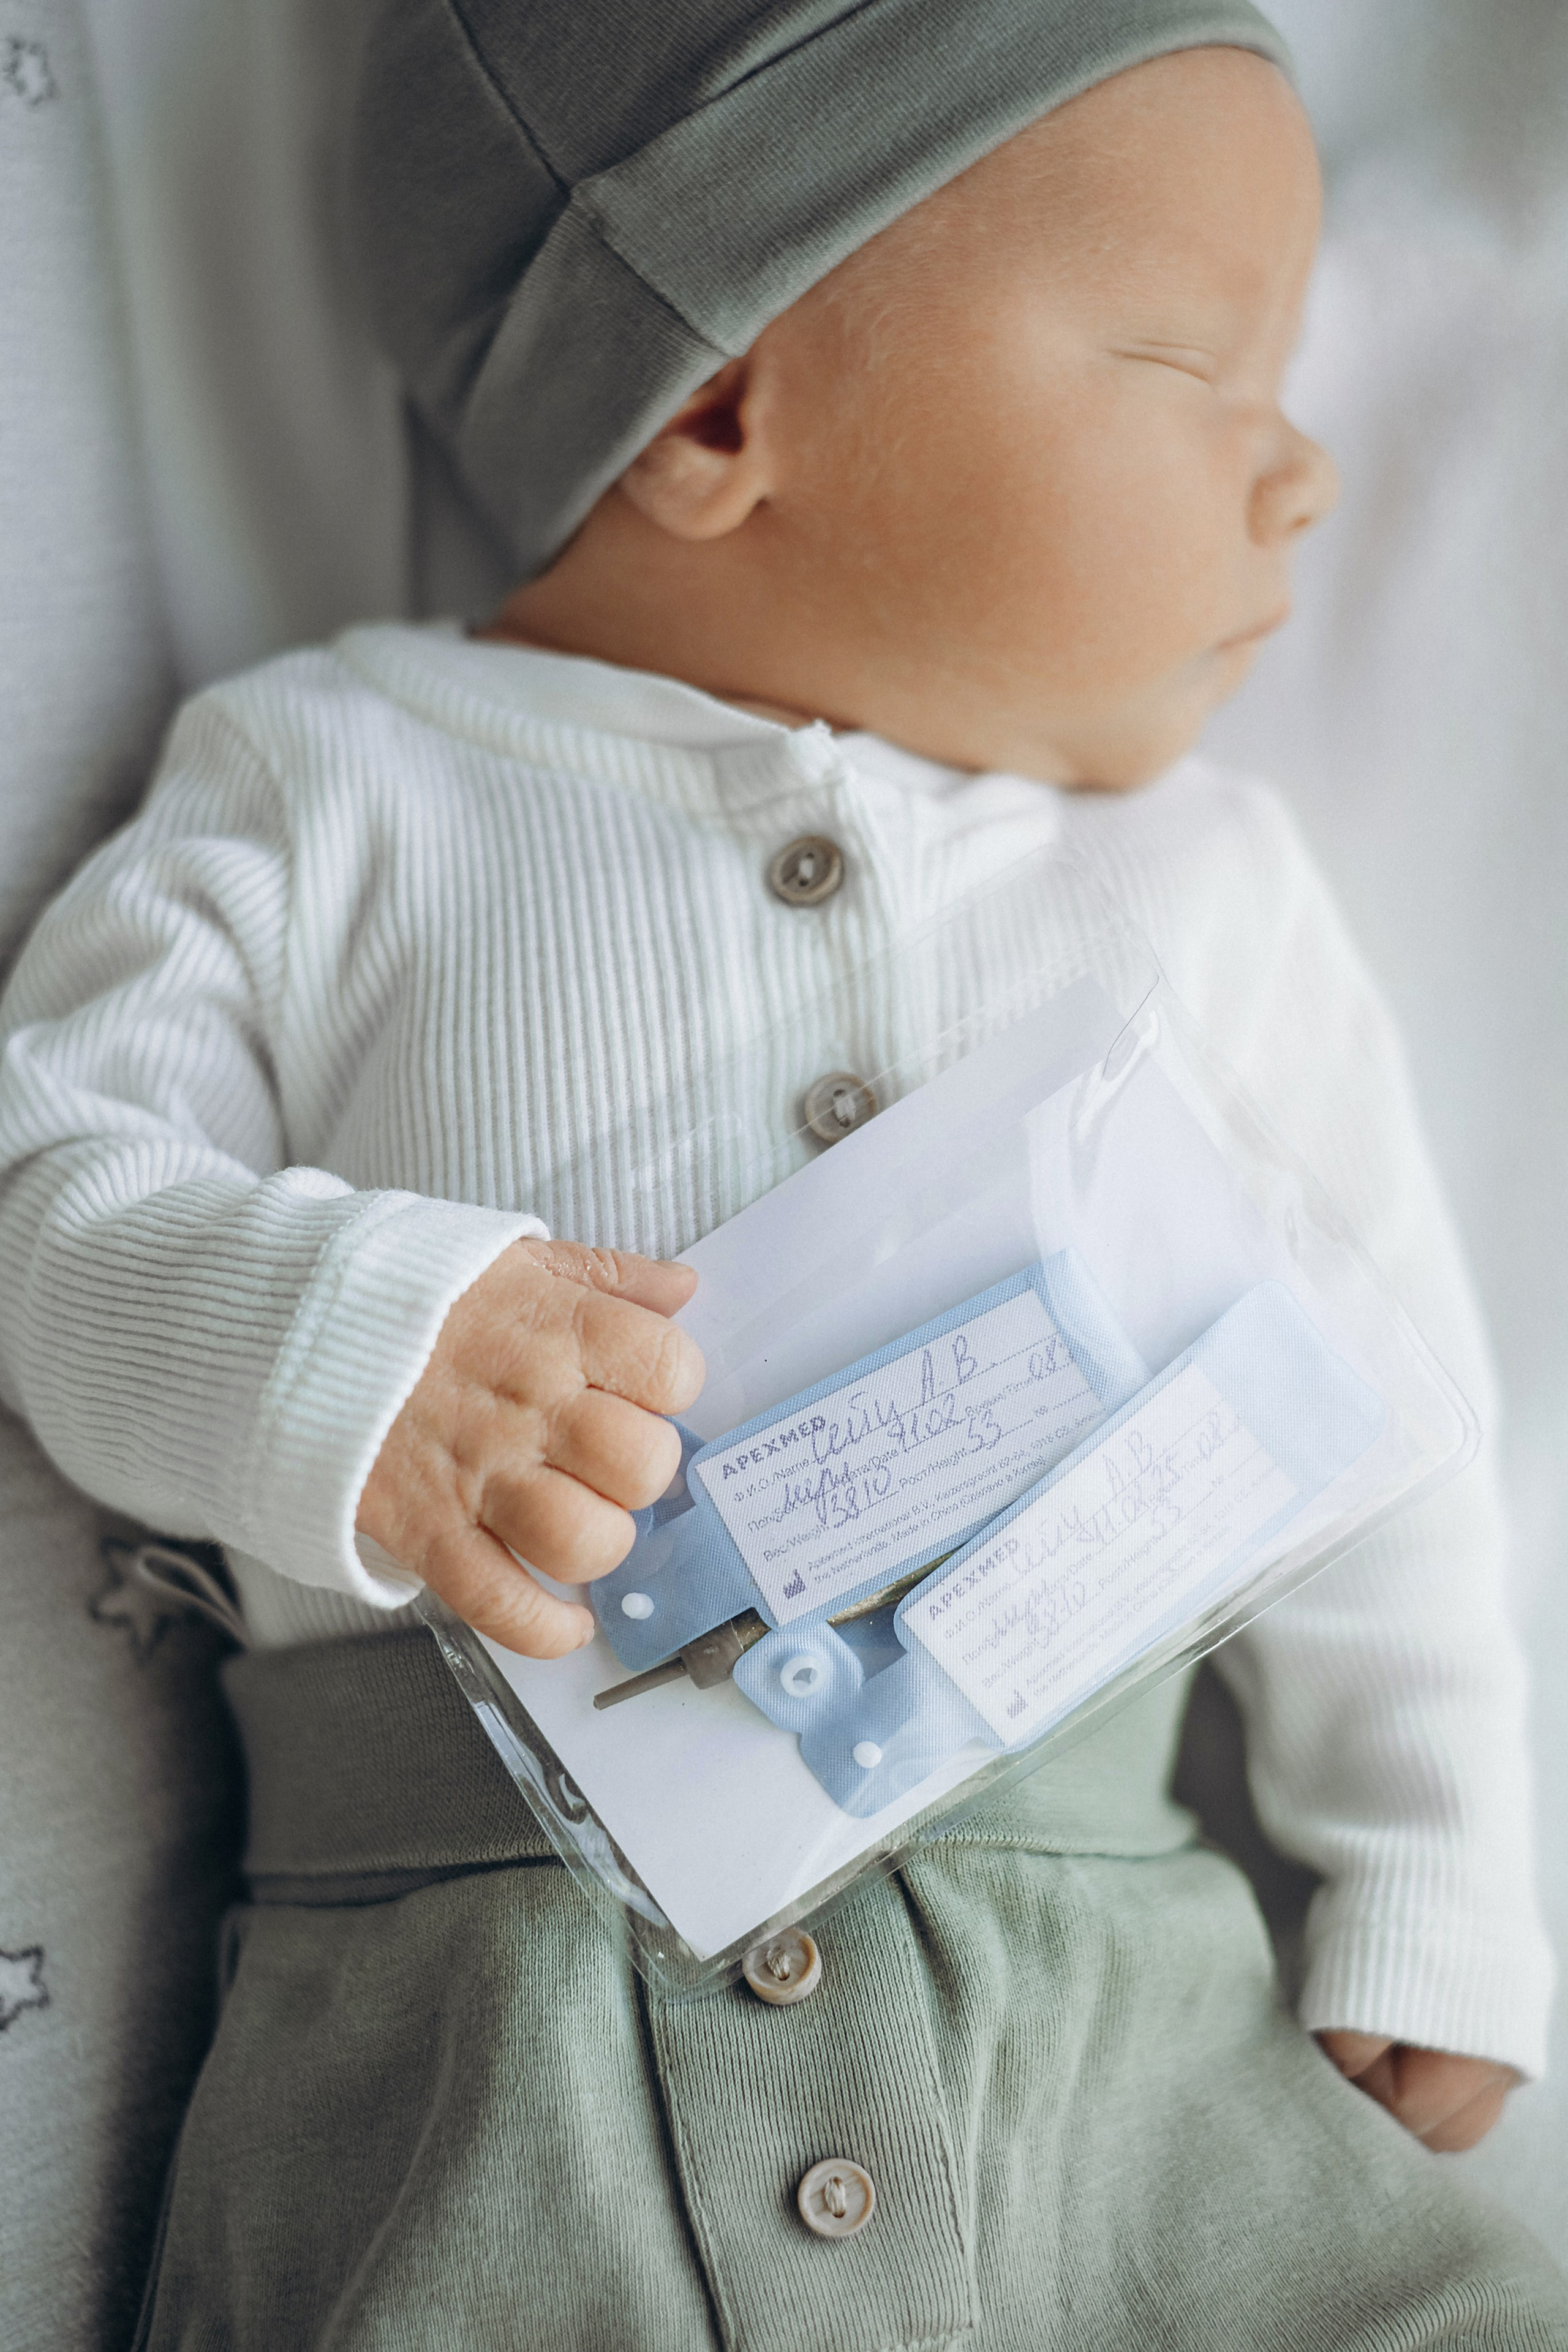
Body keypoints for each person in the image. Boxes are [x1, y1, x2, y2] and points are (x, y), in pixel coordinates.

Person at [0, 2, 1561, 2342]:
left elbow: (1380, 1413)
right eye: (1193, 360)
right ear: (725, 405)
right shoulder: (330, 788)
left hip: (1115, 2026)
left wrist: (1431, 1871)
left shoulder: (1204, 892)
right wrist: (363, 1353)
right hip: (473, 2045)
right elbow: (56, 1200)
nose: (1304, 471)